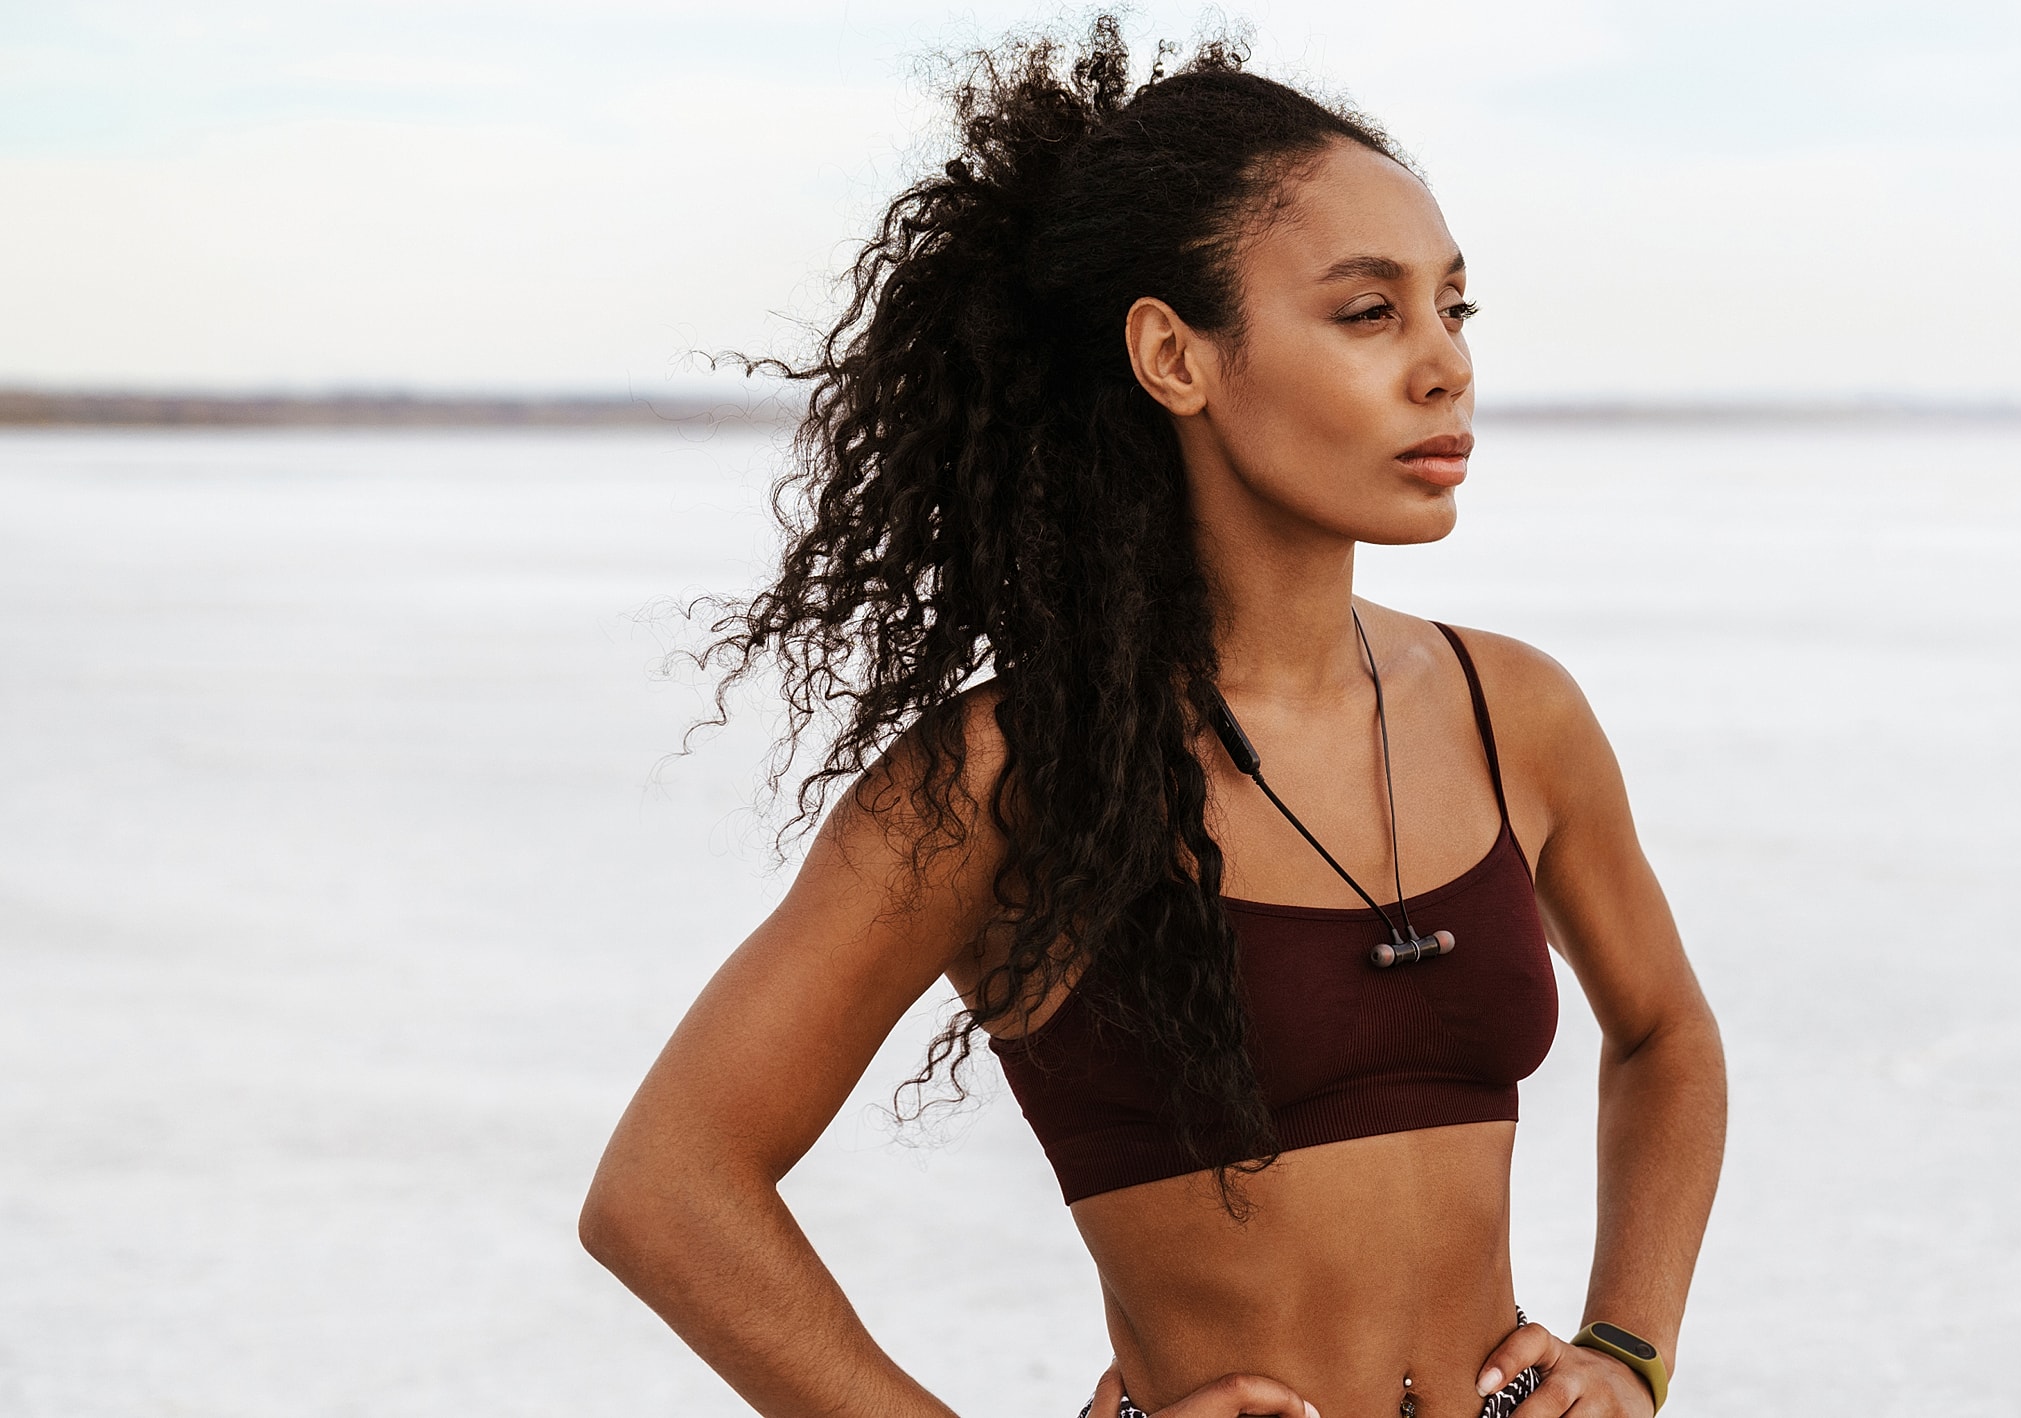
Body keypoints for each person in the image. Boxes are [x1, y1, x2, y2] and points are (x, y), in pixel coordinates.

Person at [579, 18, 1726, 1418]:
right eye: (1370, 312)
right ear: (1174, 357)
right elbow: (668, 1186)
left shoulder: (1514, 710)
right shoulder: (1012, 777)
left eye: (1453, 308)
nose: (1444, 366)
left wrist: (1631, 1345)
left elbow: (1665, 1030)